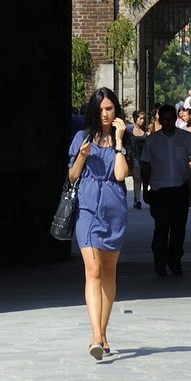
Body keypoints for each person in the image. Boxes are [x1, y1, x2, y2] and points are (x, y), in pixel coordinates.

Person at [68, 87, 130, 360]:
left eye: (110, 109)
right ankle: (95, 336)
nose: (106, 114)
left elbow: (120, 174)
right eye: (102, 109)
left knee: (108, 273)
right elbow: (71, 177)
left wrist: (118, 141)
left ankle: (103, 333)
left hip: (114, 209)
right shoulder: (82, 138)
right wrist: (82, 155)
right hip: (88, 208)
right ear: (94, 111)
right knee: (92, 270)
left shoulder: (121, 139)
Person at [140, 102, 191, 275]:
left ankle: (175, 259)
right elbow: (145, 166)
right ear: (159, 120)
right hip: (159, 191)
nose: (167, 122)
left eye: (170, 119)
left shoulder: (186, 138)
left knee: (178, 228)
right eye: (163, 119)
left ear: (175, 119)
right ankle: (159, 260)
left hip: (180, 189)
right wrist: (145, 189)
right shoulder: (152, 140)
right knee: (161, 228)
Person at [128, 109, 148, 208]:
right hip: (134, 157)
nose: (142, 121)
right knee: (137, 178)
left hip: (144, 157)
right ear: (136, 119)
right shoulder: (130, 130)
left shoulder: (145, 131)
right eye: (140, 119)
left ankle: (137, 199)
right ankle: (138, 200)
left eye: (144, 119)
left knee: (141, 179)